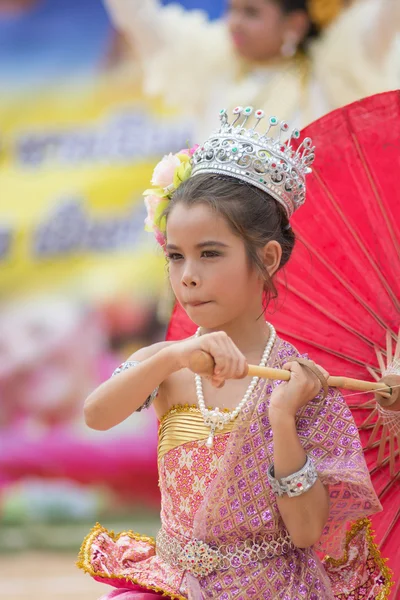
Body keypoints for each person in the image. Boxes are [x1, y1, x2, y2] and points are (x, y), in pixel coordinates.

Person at [77, 106, 392, 598]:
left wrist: (283, 418)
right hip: (171, 584)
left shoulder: (302, 384)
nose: (188, 276)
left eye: (210, 253)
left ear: (265, 258)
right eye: (175, 256)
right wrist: (172, 356)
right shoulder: (169, 362)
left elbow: (308, 532)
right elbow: (95, 415)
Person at [104, 0, 400, 137]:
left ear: (294, 23)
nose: (235, 22)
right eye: (232, 9)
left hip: (311, 244)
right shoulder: (211, 67)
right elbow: (139, 17)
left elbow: (386, 17)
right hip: (224, 247)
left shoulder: (334, 72)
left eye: (251, 12)